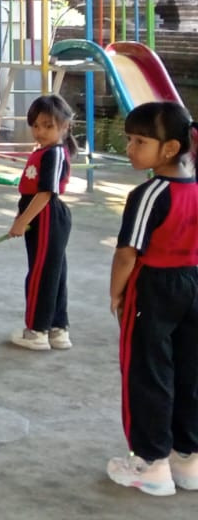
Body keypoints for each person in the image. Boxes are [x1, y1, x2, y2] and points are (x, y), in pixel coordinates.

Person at [107, 101, 198, 497]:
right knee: (188, 371)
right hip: (193, 283)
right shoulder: (194, 187)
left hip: (154, 286)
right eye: (129, 139)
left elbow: (128, 251)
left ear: (170, 149)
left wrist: (117, 292)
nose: (130, 148)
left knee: (147, 373)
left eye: (139, 141)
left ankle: (150, 462)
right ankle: (187, 458)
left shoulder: (149, 193)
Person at [6, 95, 75, 352]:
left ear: (64, 126)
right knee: (53, 272)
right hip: (41, 216)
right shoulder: (45, 151)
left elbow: (46, 193)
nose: (40, 131)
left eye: (48, 126)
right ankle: (57, 328)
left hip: (46, 216)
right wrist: (20, 218)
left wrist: (23, 221)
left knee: (41, 274)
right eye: (36, 125)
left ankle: (37, 330)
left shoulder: (55, 154)